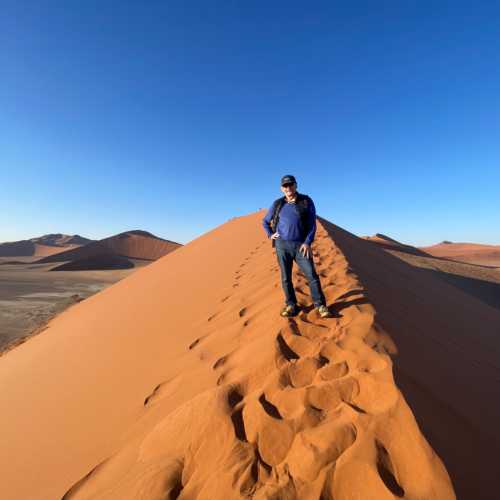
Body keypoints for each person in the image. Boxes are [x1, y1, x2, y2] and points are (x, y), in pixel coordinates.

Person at [262, 175, 331, 318]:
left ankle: (320, 305)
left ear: (296, 185)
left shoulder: (306, 201)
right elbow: (265, 221)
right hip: (282, 246)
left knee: (312, 275)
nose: (288, 188)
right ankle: (291, 304)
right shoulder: (278, 204)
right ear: (282, 189)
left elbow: (312, 224)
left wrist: (307, 242)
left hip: (301, 246)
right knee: (286, 277)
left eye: (290, 185)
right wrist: (270, 234)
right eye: (285, 186)